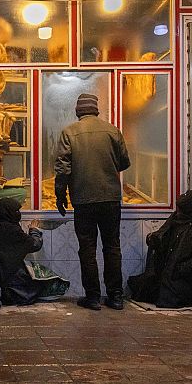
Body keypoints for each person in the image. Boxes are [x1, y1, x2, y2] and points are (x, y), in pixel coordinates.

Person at [54, 93, 130, 311]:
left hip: (83, 199)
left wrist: (61, 196)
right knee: (112, 247)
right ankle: (116, 297)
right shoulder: (112, 130)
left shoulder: (69, 132)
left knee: (87, 249)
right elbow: (124, 162)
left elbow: (62, 169)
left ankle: (93, 297)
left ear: (78, 111)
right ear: (96, 110)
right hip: (110, 199)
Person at [128, 190, 192, 308]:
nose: (178, 212)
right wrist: (152, 239)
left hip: (183, 278)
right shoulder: (176, 220)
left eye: (181, 209)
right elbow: (161, 238)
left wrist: (179, 270)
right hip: (167, 273)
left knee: (169, 298)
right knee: (142, 288)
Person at [0, 198, 69, 305]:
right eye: (16, 211)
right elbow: (35, 245)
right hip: (11, 280)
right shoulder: (11, 230)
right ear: (8, 213)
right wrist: (34, 230)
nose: (18, 214)